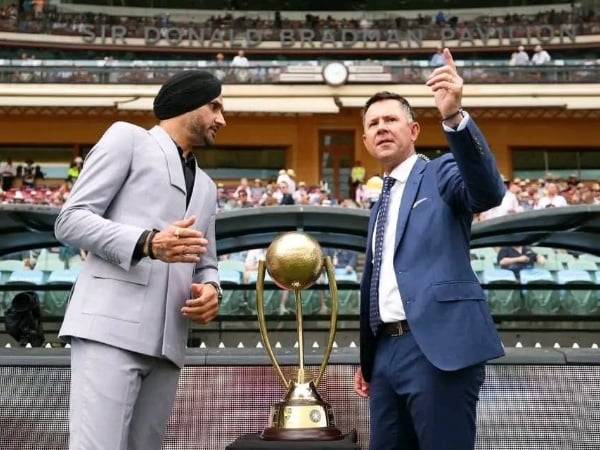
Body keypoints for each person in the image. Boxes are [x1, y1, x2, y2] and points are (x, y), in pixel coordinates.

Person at [54, 71, 226, 450]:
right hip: (109, 331)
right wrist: (147, 242)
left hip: (168, 344)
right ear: (188, 104)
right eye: (215, 106)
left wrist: (213, 288)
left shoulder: (209, 185)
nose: (221, 119)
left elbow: (206, 260)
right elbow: (70, 220)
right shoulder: (126, 138)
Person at [353, 48, 505, 450]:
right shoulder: (377, 204)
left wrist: (454, 118)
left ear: (415, 130)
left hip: (439, 350)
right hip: (385, 356)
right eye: (373, 124)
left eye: (391, 120)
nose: (382, 128)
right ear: (366, 139)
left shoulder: (441, 173)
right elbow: (375, 284)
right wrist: (370, 360)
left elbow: (488, 191)